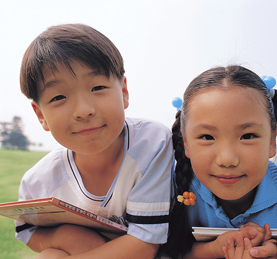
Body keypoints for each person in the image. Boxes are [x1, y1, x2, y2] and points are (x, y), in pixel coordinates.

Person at [16, 23, 173, 259]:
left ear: (123, 92)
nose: (83, 110)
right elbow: (27, 232)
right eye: (59, 97)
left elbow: (144, 246)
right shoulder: (38, 182)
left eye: (97, 87)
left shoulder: (151, 144)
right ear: (41, 115)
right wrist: (66, 236)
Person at [165, 65, 277, 259]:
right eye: (207, 137)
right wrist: (217, 247)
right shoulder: (175, 191)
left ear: (272, 140)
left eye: (247, 136)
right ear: (185, 142)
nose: (227, 159)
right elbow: (165, 252)